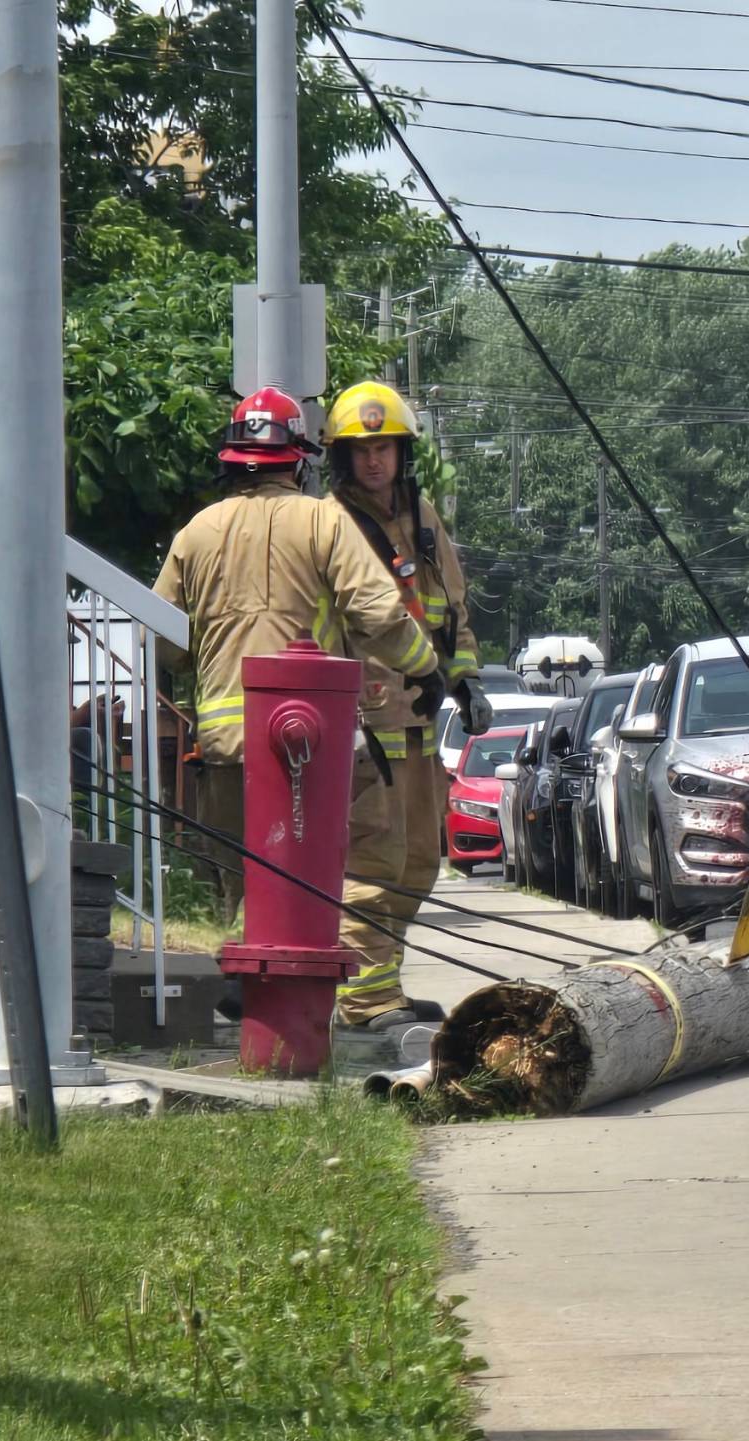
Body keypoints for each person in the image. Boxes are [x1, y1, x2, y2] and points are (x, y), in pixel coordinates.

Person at [152, 387, 441, 928]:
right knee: (309, 891)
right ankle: (301, 999)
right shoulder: (322, 523)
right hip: (305, 744)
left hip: (224, 749)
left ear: (234, 461)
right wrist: (426, 667)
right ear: (299, 463)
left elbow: (163, 640)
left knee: (245, 890)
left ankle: (249, 987)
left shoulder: (195, 533)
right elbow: (380, 615)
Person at [323, 381, 493, 1029]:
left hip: (421, 717)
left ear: (401, 452)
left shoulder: (422, 516)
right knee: (374, 863)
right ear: (343, 457)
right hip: (367, 721)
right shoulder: (330, 521)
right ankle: (364, 1003)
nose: (374, 460)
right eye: (361, 448)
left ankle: (380, 989)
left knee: (421, 860)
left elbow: (451, 609)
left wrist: (468, 681)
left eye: (385, 446)